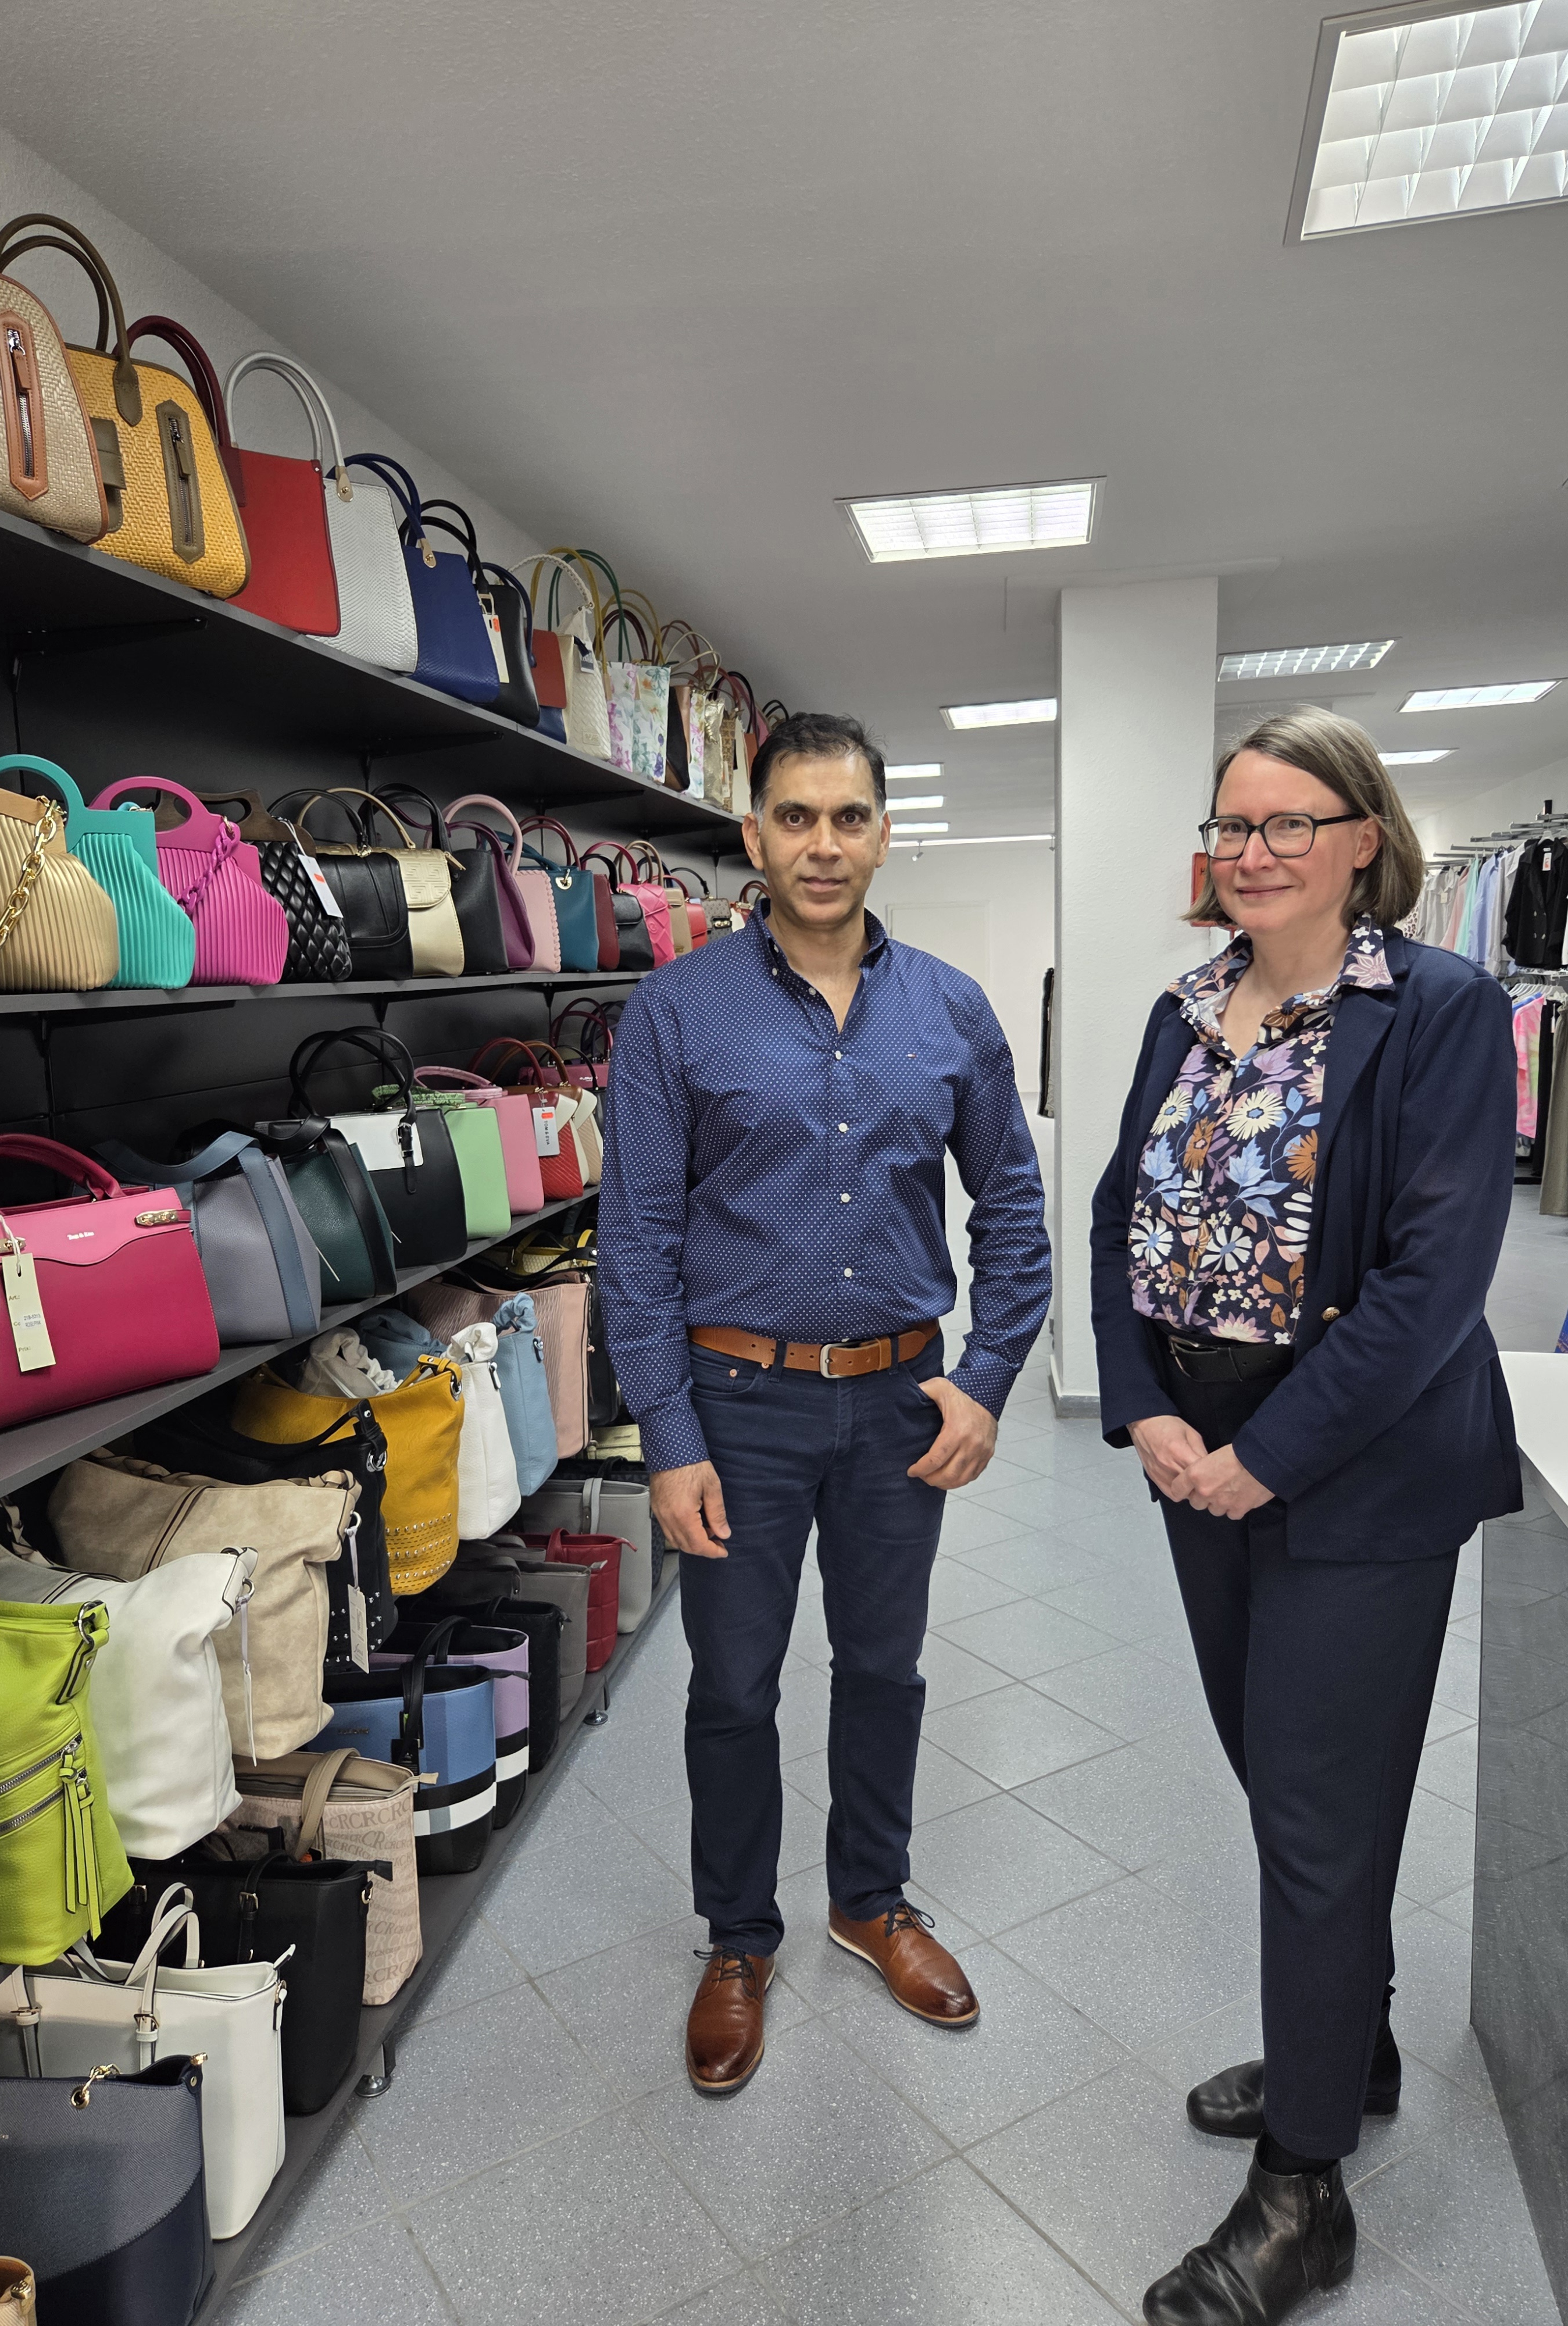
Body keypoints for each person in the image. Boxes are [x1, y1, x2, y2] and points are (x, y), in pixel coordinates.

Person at [1091, 707, 1520, 2325]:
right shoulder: (1183, 1008)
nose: (1252, 851)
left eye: (1288, 822)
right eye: (1231, 825)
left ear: (1363, 840)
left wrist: (1261, 1454)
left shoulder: (1439, 1010)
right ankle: (1355, 2046)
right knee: (1287, 1794)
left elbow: (1429, 1284)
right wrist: (1141, 1404)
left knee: (1320, 1824)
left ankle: (1301, 2191)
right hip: (1193, 1459)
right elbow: (1118, 1219)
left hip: (1354, 1469)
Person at [598, 709, 1051, 2093]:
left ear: (883, 833)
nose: (822, 843)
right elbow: (638, 1243)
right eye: (794, 816)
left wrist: (984, 1379)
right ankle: (739, 1935)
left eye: (848, 816)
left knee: (885, 1666)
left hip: (901, 1403)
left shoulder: (951, 1010)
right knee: (733, 1683)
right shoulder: (676, 1012)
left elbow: (1013, 1209)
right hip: (737, 1404)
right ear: (753, 835)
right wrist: (668, 1435)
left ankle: (870, 1898)